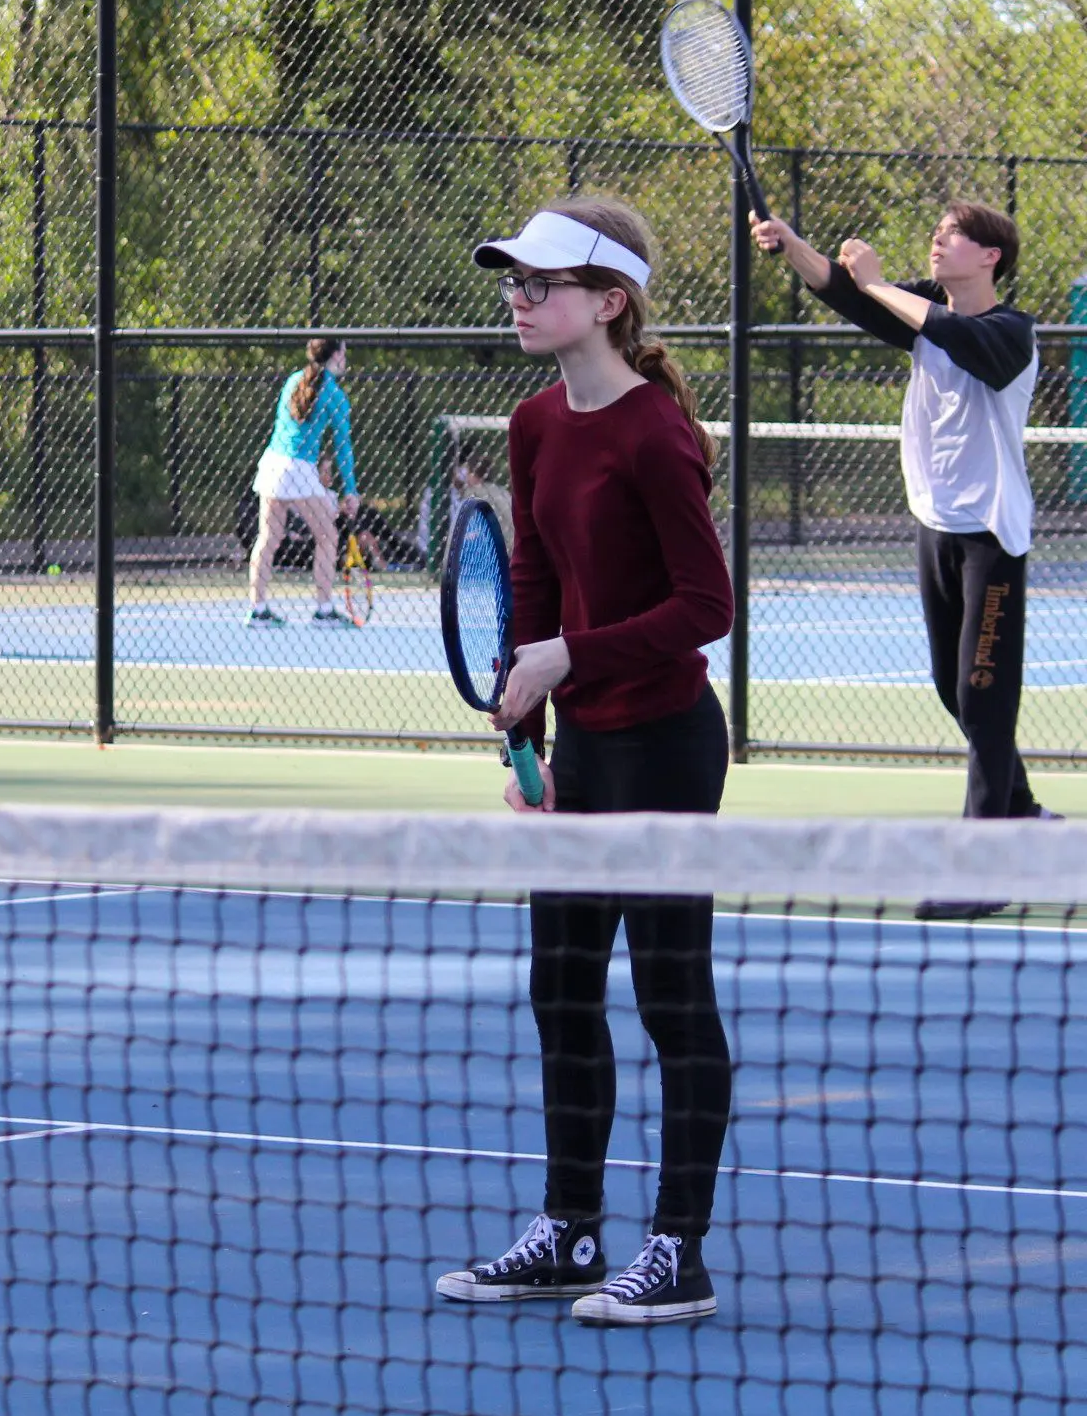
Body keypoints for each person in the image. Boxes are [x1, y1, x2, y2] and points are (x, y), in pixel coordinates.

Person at [434, 199, 734, 1326]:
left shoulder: (657, 432)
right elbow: (533, 585)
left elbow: (706, 605)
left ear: (608, 301)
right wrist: (528, 736)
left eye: (540, 283)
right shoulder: (533, 422)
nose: (518, 298)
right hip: (583, 751)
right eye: (509, 280)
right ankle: (568, 1228)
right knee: (559, 986)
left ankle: (677, 1249)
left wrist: (570, 655)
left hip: (664, 742)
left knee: (668, 992)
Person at [750, 203, 1057, 920]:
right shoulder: (920, 309)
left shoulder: (1011, 332)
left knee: (985, 699)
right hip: (935, 527)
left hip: (991, 537)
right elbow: (846, 291)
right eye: (939, 232)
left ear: (990, 257)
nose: (938, 240)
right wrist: (795, 244)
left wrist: (881, 281)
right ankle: (1024, 813)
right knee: (954, 690)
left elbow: (939, 326)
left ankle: (985, 871)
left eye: (953, 235)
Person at [247, 337, 360, 627]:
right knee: (328, 537)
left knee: (268, 538)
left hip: (271, 463)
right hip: (297, 470)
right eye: (344, 353)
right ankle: (323, 610)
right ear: (334, 357)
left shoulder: (293, 380)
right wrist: (350, 491)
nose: (346, 359)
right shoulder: (334, 396)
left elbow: (289, 429)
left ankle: (257, 609)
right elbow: (343, 447)